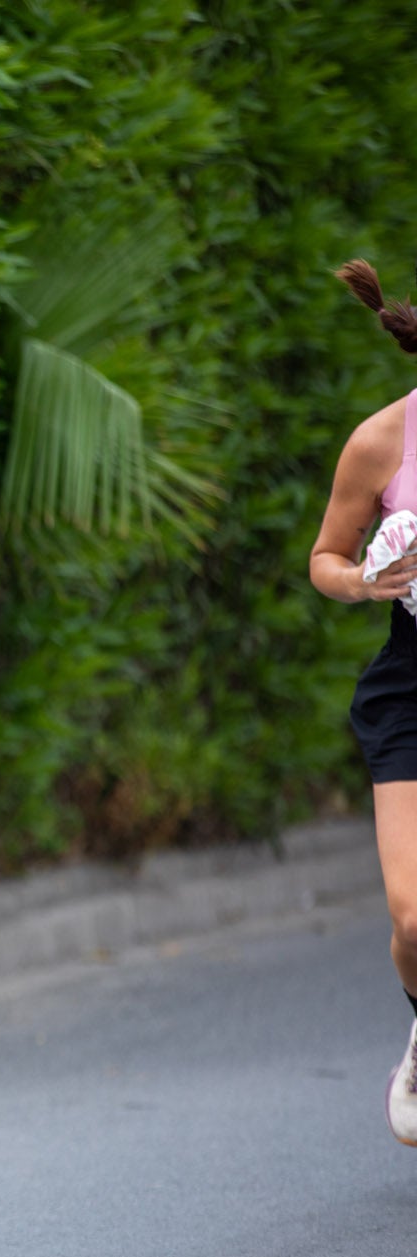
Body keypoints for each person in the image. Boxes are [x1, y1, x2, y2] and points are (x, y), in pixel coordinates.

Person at [312, 259, 417, 1145]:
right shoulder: (382, 441)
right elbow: (325, 558)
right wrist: (363, 584)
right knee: (414, 912)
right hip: (409, 684)